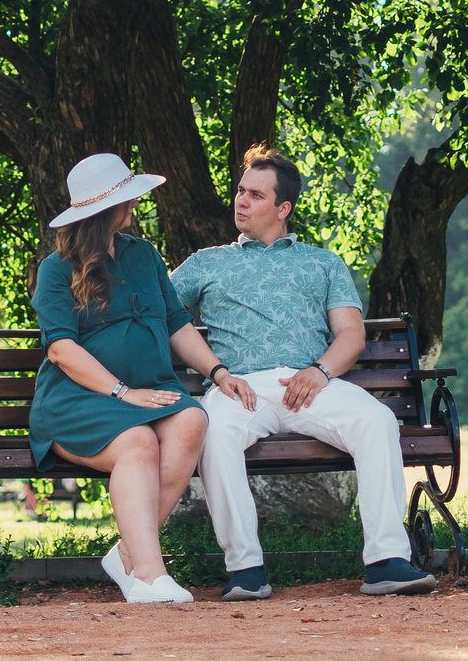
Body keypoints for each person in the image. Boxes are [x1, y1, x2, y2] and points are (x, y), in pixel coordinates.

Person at [170, 145, 439, 601]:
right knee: (212, 430)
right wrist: (216, 373)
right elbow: (161, 315)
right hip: (240, 388)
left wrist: (320, 371)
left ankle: (386, 561)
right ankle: (246, 568)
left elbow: (351, 334)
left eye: (255, 195)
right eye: (240, 191)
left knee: (377, 420)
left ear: (283, 208)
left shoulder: (322, 262)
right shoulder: (206, 263)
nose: (241, 200)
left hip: (311, 384)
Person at [31, 153, 231, 605]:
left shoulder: (143, 254)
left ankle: (127, 554)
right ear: (107, 208)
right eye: (128, 197)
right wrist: (123, 392)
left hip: (148, 390)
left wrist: (218, 372)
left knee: (192, 421)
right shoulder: (57, 268)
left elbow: (177, 323)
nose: (136, 203)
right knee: (139, 441)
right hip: (79, 400)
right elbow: (60, 349)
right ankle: (150, 573)